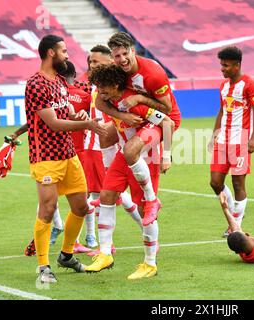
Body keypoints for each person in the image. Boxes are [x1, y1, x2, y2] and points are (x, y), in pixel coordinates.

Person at [86, 37, 181, 279]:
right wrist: (120, 114)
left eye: (124, 54)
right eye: (116, 56)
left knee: (142, 206)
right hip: (127, 146)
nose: (121, 59)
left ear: (133, 50)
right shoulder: (114, 86)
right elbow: (100, 101)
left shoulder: (150, 77)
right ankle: (105, 253)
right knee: (107, 193)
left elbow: (168, 117)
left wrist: (167, 155)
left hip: (151, 139)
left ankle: (150, 262)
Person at [24, 34, 106, 284]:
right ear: (50, 53)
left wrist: (80, 114)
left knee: (81, 207)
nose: (67, 55)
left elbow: (67, 112)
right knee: (47, 210)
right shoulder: (36, 84)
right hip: (46, 157)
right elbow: (53, 122)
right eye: (63, 50)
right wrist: (89, 125)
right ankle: (43, 266)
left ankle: (67, 255)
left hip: (69, 155)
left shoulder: (60, 81)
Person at [208, 46, 254, 237]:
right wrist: (215, 134)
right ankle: (234, 215)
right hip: (223, 140)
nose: (222, 69)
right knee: (215, 182)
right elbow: (222, 110)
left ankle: (236, 225)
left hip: (240, 140)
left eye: (226, 65)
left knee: (238, 183)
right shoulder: (223, 86)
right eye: (221, 65)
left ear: (237, 65)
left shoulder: (249, 84)